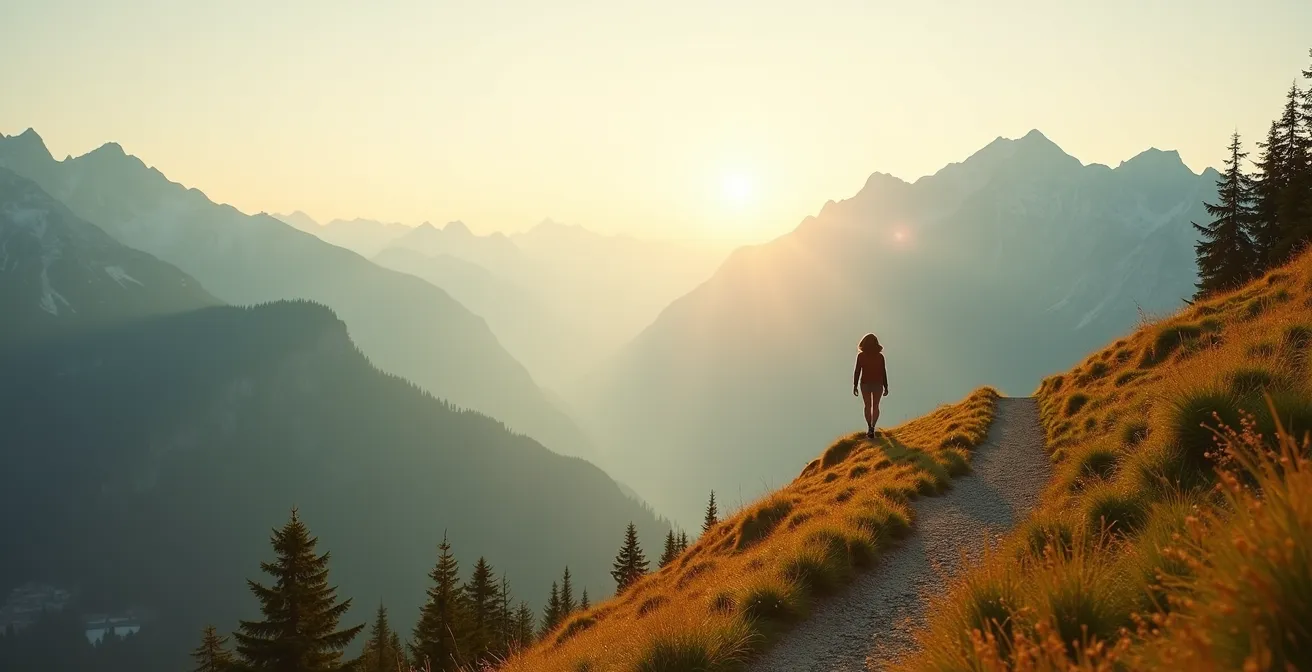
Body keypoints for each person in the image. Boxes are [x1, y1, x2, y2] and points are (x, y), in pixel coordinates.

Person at [853, 333, 889, 438]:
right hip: (871, 384)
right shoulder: (873, 356)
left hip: (870, 384)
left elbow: (883, 371)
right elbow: (857, 371)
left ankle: (871, 427)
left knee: (870, 406)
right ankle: (871, 427)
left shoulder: (878, 357)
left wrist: (855, 385)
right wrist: (855, 385)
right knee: (873, 406)